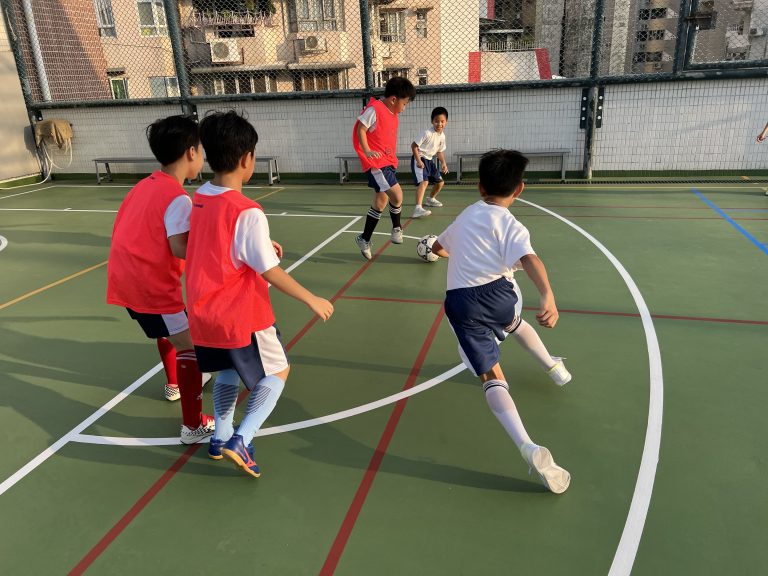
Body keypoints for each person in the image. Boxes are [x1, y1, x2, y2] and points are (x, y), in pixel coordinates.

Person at [186, 111, 334, 478]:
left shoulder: (200, 197)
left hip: (203, 311)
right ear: (247, 159)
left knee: (227, 371)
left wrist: (262, 245)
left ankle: (219, 437)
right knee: (279, 370)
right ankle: (242, 438)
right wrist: (311, 299)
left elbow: (218, 243)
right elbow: (270, 271)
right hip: (241, 313)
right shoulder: (247, 211)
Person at [430, 149, 572, 494]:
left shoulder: (467, 215)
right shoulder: (510, 224)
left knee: (492, 377)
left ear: (480, 187)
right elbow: (530, 259)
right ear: (519, 189)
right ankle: (554, 368)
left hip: (461, 303)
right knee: (514, 322)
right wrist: (548, 295)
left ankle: (527, 445)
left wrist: (444, 251)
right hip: (499, 296)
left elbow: (437, 248)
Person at [106, 115, 214, 445]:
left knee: (169, 330)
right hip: (150, 287)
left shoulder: (144, 185)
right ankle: (193, 426)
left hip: (125, 281)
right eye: (201, 150)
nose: (203, 157)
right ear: (191, 152)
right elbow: (180, 246)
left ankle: (173, 384)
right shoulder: (177, 197)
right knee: (191, 348)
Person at [352, 77, 417, 260]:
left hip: (387, 163)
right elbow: (361, 129)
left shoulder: (392, 115)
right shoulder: (375, 109)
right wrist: (367, 150)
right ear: (394, 99)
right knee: (397, 195)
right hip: (377, 164)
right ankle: (397, 228)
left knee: (380, 202)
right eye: (405, 103)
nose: (405, 107)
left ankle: (364, 239)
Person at [411, 107, 449, 218]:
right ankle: (418, 208)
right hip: (420, 158)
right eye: (436, 121)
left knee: (440, 182)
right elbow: (414, 146)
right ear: (432, 121)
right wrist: (418, 161)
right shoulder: (427, 133)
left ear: (446, 122)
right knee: (424, 182)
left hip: (429, 160)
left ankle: (430, 199)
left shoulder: (442, 136)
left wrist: (443, 163)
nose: (439, 124)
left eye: (442, 121)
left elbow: (439, 151)